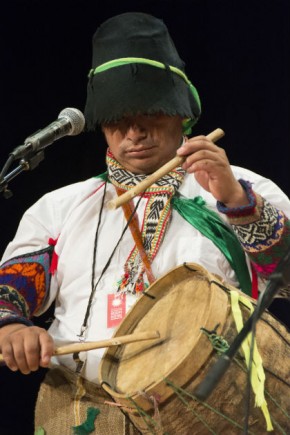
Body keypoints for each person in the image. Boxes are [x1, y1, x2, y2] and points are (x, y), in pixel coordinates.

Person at [0, 11, 290, 435]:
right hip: (82, 413)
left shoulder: (242, 187)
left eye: (150, 113)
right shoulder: (60, 208)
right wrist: (11, 327)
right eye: (118, 118)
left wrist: (237, 201)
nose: (134, 131)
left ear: (180, 114)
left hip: (210, 411)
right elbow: (10, 295)